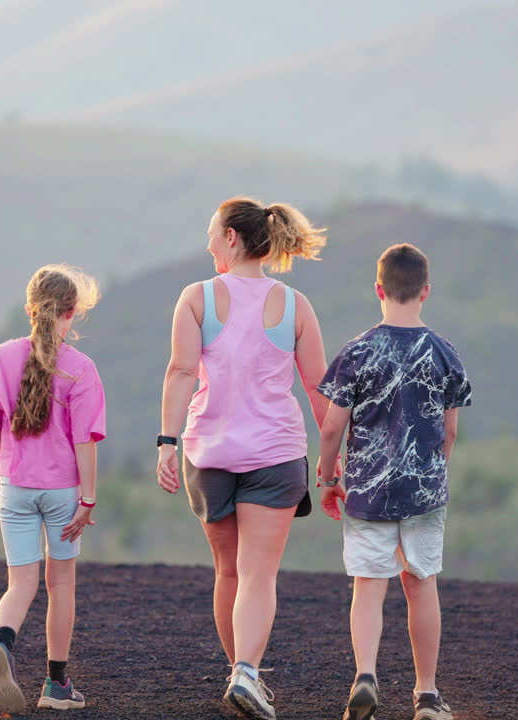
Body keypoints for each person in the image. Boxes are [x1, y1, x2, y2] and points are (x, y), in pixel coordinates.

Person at [156, 196, 331, 720]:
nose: (208, 241)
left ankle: (243, 675)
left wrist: (167, 441)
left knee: (228, 572)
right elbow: (318, 386)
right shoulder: (296, 304)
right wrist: (332, 456)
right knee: (258, 575)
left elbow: (181, 372)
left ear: (232, 237)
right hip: (275, 456)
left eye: (212, 232)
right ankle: (246, 676)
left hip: (209, 455)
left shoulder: (196, 298)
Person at [315, 243, 473, 720]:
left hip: (366, 490)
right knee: (421, 584)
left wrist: (328, 477)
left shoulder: (357, 351)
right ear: (425, 291)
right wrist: (434, 471)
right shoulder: (445, 353)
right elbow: (449, 431)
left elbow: (330, 427)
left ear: (379, 289)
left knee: (369, 586)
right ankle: (426, 694)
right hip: (424, 491)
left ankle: (365, 675)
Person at [0, 264, 106, 713]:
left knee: (21, 583)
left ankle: (3, 643)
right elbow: (84, 442)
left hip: (13, 486)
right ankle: (56, 687)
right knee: (61, 583)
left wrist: (3, 473)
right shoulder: (81, 368)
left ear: (30, 309)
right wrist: (87, 500)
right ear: (71, 314)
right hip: (62, 492)